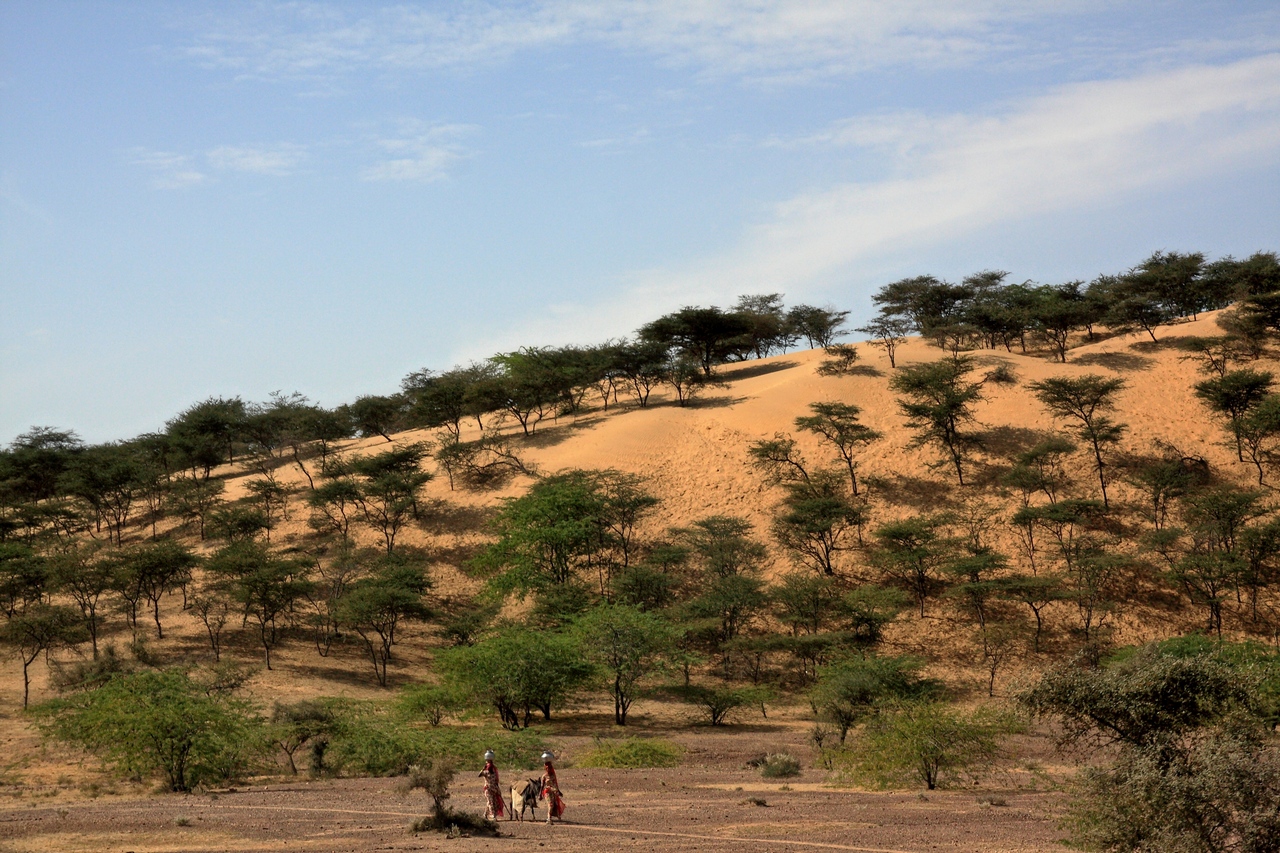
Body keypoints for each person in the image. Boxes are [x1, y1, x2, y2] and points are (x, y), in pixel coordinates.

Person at [539, 751, 565, 825]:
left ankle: (550, 818)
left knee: (553, 805)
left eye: (549, 768)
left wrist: (558, 791)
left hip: (553, 791)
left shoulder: (553, 775)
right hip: (547, 791)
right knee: (550, 804)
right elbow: (542, 786)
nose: (549, 769)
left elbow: (555, 784)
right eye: (547, 768)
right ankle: (548, 819)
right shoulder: (544, 776)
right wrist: (540, 794)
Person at [478, 749, 505, 821]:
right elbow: (496, 779)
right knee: (492, 801)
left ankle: (491, 815)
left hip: (489, 788)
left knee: (491, 802)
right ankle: (491, 815)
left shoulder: (486, 772)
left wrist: (482, 769)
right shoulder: (494, 770)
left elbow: (479, 775)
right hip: (494, 788)